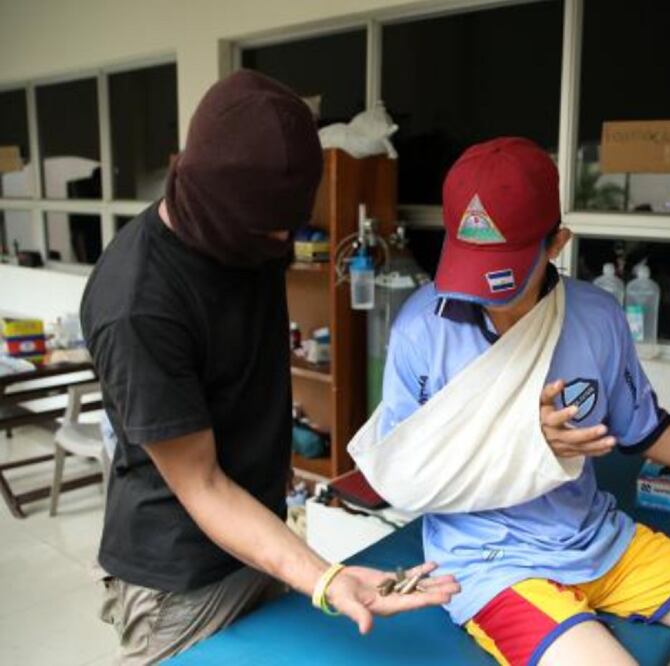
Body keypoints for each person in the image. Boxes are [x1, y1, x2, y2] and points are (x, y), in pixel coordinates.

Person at [378, 137, 670, 666]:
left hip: (599, 539)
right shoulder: (421, 331)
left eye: (503, 273)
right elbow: (403, 470)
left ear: (556, 243)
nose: (486, 296)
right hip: (491, 562)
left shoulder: (595, 317)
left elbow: (648, 432)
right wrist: (521, 442)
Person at [81, 71, 457, 664]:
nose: (281, 239)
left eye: (290, 223)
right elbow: (202, 485)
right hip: (180, 578)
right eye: (266, 229)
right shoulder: (138, 305)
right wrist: (325, 577)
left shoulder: (251, 233)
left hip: (258, 535)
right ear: (205, 194)